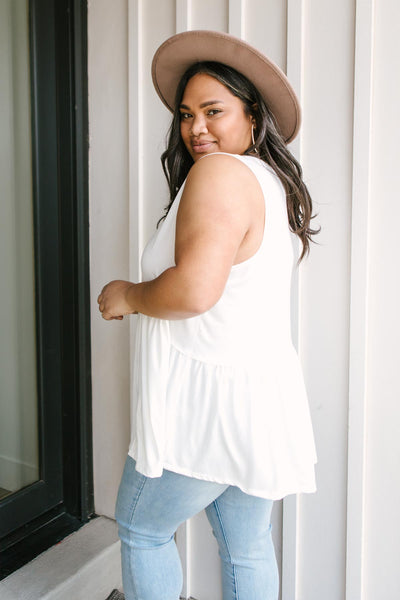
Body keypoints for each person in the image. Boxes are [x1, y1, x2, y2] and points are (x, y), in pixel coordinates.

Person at [98, 30, 318, 600]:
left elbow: (194, 292)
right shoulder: (271, 183)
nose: (197, 128)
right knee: (245, 546)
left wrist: (128, 293)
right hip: (257, 398)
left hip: (205, 408)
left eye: (213, 111)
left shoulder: (219, 174)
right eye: (187, 114)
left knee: (143, 530)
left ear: (252, 116)